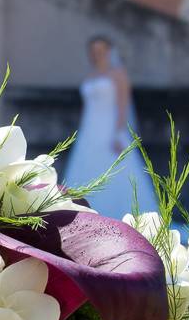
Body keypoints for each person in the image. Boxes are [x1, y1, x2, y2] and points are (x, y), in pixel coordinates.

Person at [62, 35, 157, 219]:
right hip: (89, 131)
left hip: (110, 129)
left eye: (101, 50)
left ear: (109, 51)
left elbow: (123, 105)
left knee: (117, 173)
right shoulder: (90, 76)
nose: (97, 55)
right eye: (93, 51)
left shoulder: (118, 74)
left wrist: (119, 133)